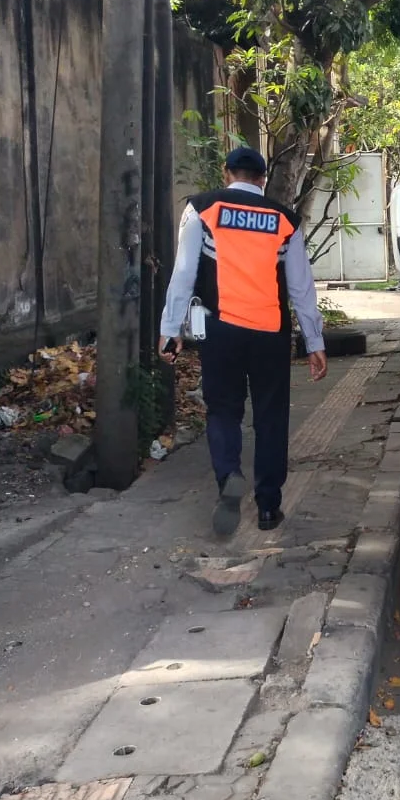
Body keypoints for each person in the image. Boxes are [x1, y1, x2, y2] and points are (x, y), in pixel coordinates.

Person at [159, 146, 328, 535]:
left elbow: (183, 274)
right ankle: (269, 506)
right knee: (271, 418)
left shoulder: (202, 209)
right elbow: (301, 287)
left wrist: (171, 332)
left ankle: (229, 478)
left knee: (223, 411)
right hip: (270, 332)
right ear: (263, 179)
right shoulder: (284, 219)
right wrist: (315, 342)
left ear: (226, 173)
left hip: (221, 331)